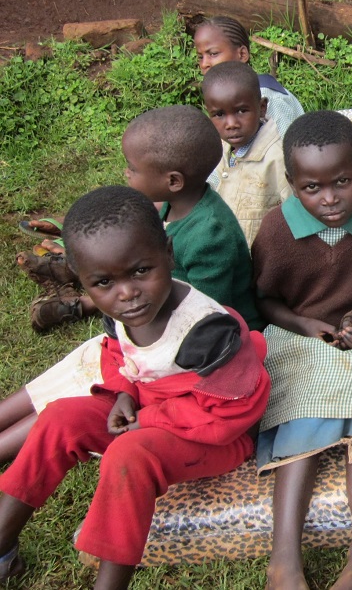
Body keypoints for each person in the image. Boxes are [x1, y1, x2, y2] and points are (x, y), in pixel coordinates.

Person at [0, 186, 271, 589]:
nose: (126, 292)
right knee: (60, 417)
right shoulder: (121, 313)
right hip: (145, 411)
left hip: (214, 436)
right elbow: (116, 355)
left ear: (168, 253)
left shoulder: (206, 330)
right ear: (83, 282)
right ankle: (3, 542)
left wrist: (148, 419)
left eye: (141, 271)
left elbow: (233, 411)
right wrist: (123, 392)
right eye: (104, 282)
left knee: (128, 455)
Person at [0, 106, 263, 462]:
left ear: (172, 181)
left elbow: (204, 315)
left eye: (132, 168)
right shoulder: (168, 208)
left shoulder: (209, 234)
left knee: (80, 388)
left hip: (189, 353)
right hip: (148, 323)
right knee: (82, 361)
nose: (126, 173)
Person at [251, 110, 352, 590]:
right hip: (296, 334)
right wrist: (302, 322)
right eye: (311, 188)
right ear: (293, 184)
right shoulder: (278, 230)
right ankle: (285, 559)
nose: (330, 198)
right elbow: (265, 300)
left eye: (342, 181)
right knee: (301, 400)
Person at [203, 60, 291, 245]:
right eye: (219, 115)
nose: (231, 124)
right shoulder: (217, 149)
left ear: (262, 108)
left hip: (259, 261)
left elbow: (296, 213)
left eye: (241, 111)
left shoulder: (278, 159)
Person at [193, 16, 304, 136]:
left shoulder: (270, 99)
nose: (204, 64)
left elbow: (285, 151)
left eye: (213, 54)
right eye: (200, 57)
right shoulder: (223, 98)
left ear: (242, 54)